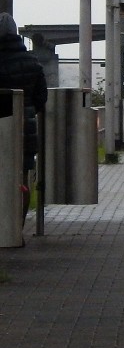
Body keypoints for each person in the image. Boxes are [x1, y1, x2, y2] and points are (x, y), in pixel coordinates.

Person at [0, 13, 48, 221]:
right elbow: (42, 99)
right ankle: (16, 228)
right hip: (24, 131)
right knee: (22, 178)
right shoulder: (32, 61)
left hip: (2, 130)